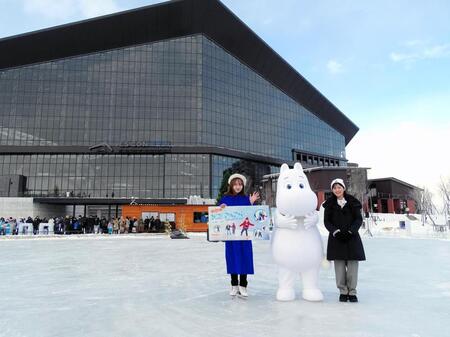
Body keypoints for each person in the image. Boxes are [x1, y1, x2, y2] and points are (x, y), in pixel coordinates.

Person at [322, 178, 366, 303]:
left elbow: (358, 219)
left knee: (352, 267)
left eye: (339, 187)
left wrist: (351, 231)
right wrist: (336, 232)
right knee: (339, 268)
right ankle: (343, 291)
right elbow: (327, 221)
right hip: (337, 239)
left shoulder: (352, 202)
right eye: (335, 188)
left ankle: (352, 292)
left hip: (352, 237)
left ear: (343, 188)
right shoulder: (329, 204)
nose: (337, 190)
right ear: (332, 190)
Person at [218, 173, 259, 297]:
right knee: (233, 259)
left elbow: (251, 215)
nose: (238, 187)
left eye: (240, 184)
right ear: (231, 185)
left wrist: (251, 203)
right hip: (231, 237)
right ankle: (234, 285)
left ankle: (243, 285)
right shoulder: (225, 198)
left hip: (244, 237)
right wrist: (221, 207)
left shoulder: (246, 198)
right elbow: (218, 214)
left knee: (244, 259)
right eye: (235, 184)